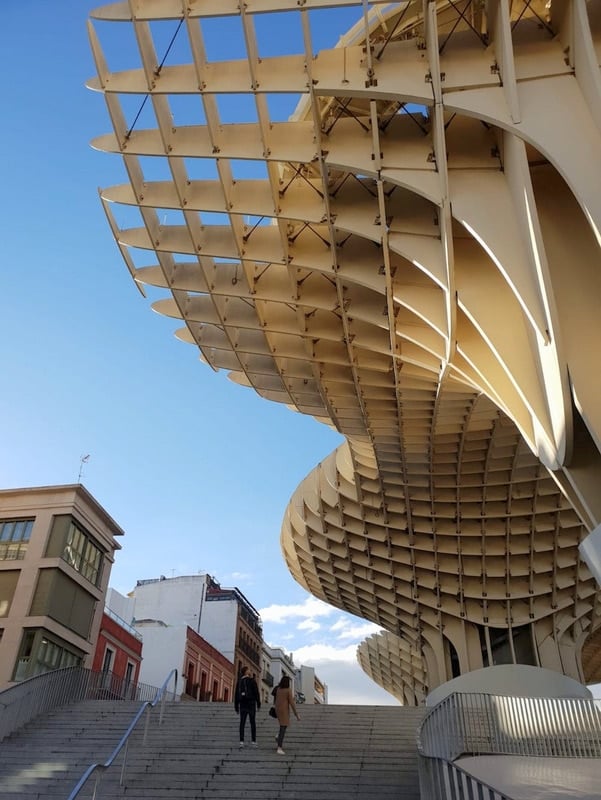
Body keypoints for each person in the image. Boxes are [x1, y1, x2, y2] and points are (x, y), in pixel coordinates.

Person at [271, 675, 300, 755]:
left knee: (282, 726)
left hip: (278, 710)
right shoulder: (288, 690)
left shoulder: (278, 689)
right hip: (284, 711)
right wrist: (296, 714)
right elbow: (292, 703)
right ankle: (279, 747)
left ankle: (278, 737)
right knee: (283, 728)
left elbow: (275, 700)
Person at [234, 666, 261, 747]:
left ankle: (241, 741)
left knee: (242, 722)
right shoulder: (252, 681)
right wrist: (258, 703)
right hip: (251, 703)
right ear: (246, 672)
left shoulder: (239, 682)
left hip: (242, 704)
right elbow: (256, 692)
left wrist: (236, 706)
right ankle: (253, 741)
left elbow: (236, 694)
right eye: (249, 670)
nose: (250, 670)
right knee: (252, 722)